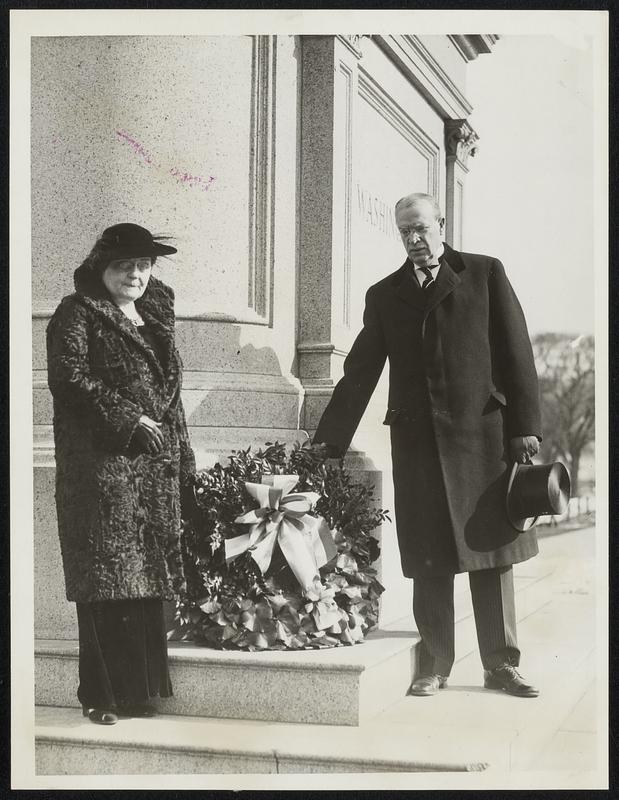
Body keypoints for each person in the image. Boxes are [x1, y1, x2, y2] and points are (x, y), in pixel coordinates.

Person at [313, 193, 542, 698]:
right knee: (429, 554)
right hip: (418, 444)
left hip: (483, 439)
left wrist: (525, 425)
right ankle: (435, 662)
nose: (415, 240)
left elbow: (516, 352)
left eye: (422, 228)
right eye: (405, 232)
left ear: (441, 224)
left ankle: (501, 664)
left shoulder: (485, 274)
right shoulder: (385, 293)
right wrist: (326, 446)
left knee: (491, 554)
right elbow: (360, 373)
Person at [47, 223, 196, 724]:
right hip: (103, 469)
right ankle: (100, 697)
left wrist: (183, 461)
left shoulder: (155, 318)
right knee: (105, 581)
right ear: (101, 267)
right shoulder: (78, 312)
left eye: (144, 265)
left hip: (152, 472)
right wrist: (128, 419)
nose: (136, 274)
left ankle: (138, 692)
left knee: (144, 580)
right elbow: (68, 378)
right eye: (124, 265)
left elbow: (171, 398)